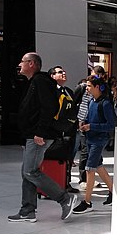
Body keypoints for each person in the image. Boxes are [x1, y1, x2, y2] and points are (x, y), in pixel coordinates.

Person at [8, 52, 77, 223]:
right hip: (34, 135)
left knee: (30, 171)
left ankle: (64, 198)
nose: (19, 64)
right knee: (27, 172)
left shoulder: (40, 81)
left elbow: (49, 108)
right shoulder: (35, 82)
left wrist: (40, 132)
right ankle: (27, 210)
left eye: (22, 61)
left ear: (31, 64)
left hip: (39, 136)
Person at [73, 74, 116, 214]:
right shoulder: (92, 101)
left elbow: (111, 125)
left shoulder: (105, 103)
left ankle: (87, 201)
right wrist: (84, 123)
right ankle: (114, 192)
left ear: (97, 87)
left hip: (99, 140)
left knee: (90, 168)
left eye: (89, 86)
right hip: (90, 138)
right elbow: (91, 118)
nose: (86, 89)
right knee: (98, 167)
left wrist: (92, 126)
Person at [73, 65, 106, 186]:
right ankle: (84, 179)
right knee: (85, 151)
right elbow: (75, 103)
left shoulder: (101, 91)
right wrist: (78, 120)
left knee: (94, 153)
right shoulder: (83, 88)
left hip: (94, 123)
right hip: (83, 123)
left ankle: (90, 178)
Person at [49, 65, 78, 193]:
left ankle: (66, 182)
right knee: (56, 159)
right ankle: (54, 185)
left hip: (70, 131)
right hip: (57, 132)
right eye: (60, 72)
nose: (63, 73)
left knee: (69, 159)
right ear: (52, 76)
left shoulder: (68, 91)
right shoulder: (50, 92)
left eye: (64, 71)